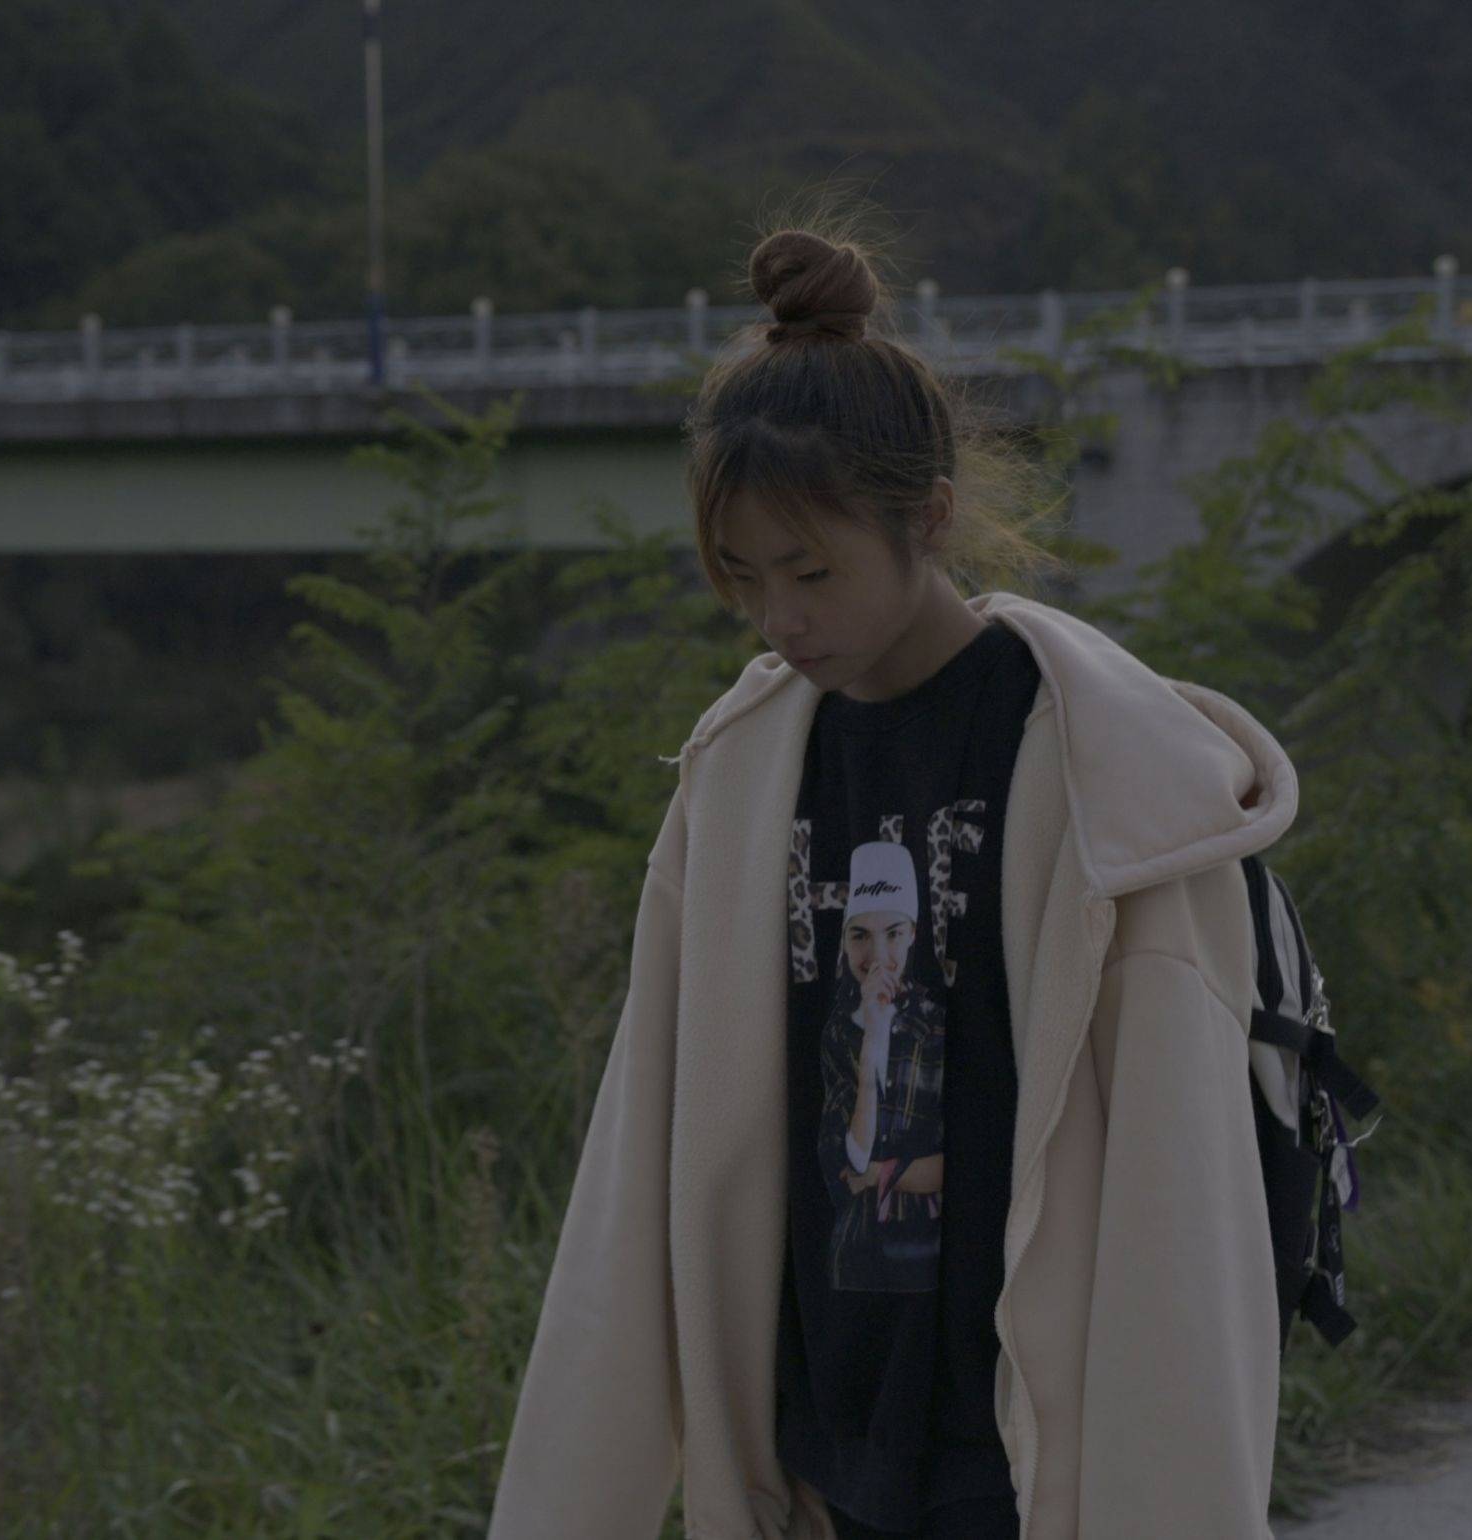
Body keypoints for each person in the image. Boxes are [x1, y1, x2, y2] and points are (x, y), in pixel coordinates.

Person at [488, 214, 1292, 1540]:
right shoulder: (742, 776)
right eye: (743, 577)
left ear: (929, 518)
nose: (780, 618)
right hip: (821, 1437)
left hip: (1021, 1444)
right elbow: (642, 1166)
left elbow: (1182, 1217)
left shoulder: (1106, 780)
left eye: (813, 570)